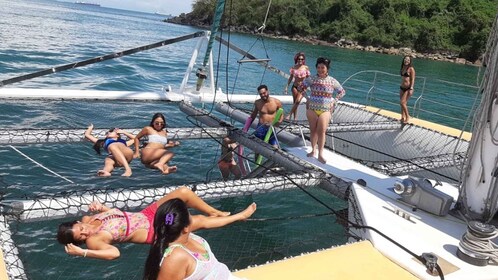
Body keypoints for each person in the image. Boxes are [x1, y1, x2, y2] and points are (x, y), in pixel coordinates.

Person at [56, 186, 231, 260]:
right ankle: (235, 217)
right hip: (154, 230)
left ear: (79, 222)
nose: (85, 232)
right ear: (81, 240)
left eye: (81, 228)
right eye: (82, 236)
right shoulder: (93, 242)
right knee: (197, 221)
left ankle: (214, 211)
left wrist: (102, 208)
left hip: (147, 214)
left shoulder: (89, 219)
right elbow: (114, 254)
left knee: (183, 192)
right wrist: (83, 252)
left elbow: (115, 219)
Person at [143, 198, 256, 280]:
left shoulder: (181, 233)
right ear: (186, 227)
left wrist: (240, 216)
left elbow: (205, 221)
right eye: (190, 216)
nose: (195, 218)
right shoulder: (175, 257)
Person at [299, 57, 346, 164]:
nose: (320, 69)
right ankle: (313, 150)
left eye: (322, 67)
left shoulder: (332, 81)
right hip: (312, 108)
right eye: (318, 67)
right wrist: (307, 98)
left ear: (327, 68)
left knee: (322, 131)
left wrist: (334, 100)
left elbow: (342, 92)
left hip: (325, 109)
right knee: (313, 130)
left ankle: (320, 154)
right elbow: (300, 87)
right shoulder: (311, 79)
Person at [284, 52, 310, 121]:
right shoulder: (294, 67)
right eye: (299, 59)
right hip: (295, 87)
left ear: (304, 60)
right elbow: (290, 78)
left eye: (302, 59)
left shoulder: (306, 68)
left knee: (298, 101)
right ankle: (295, 119)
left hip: (302, 88)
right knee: (295, 102)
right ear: (297, 59)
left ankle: (289, 115)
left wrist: (307, 87)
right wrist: (287, 86)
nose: (300, 60)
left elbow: (308, 79)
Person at [399, 56, 416, 124]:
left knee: (402, 103)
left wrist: (411, 88)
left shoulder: (411, 69)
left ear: (410, 61)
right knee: (402, 104)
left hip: (408, 88)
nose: (406, 60)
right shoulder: (403, 67)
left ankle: (407, 117)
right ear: (403, 60)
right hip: (401, 88)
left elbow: (413, 79)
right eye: (405, 59)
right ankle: (402, 117)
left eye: (408, 60)